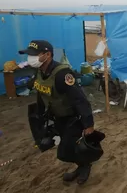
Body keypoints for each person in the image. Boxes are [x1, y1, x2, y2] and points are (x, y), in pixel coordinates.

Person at [19, 40, 95, 185]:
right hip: (57, 117)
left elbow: (80, 100)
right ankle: (81, 166)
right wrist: (40, 118)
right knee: (69, 148)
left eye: (34, 55)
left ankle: (85, 166)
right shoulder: (39, 72)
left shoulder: (62, 74)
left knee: (65, 151)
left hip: (72, 118)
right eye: (29, 54)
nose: (30, 58)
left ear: (47, 55)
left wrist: (88, 125)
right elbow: (41, 94)